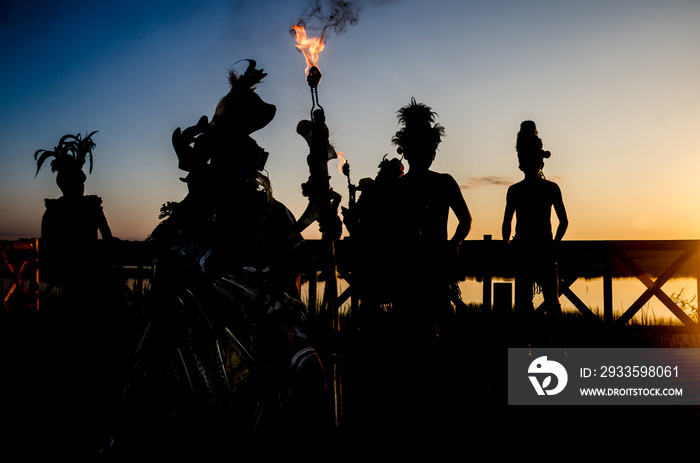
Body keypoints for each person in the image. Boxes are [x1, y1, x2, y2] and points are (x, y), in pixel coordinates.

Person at [391, 98, 473, 339]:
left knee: (419, 328)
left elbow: (465, 221)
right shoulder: (440, 182)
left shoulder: (401, 187)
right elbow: (466, 221)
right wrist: (452, 245)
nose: (432, 154)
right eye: (430, 149)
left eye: (433, 149)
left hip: (419, 267)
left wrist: (452, 245)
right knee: (424, 329)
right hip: (418, 266)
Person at [501, 120, 568, 319]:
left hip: (522, 251)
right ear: (542, 163)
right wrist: (554, 244)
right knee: (552, 301)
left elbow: (506, 224)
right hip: (545, 251)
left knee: (523, 305)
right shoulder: (551, 188)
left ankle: (527, 348)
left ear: (521, 164)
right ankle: (557, 348)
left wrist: (507, 247)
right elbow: (563, 222)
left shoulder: (514, 191)